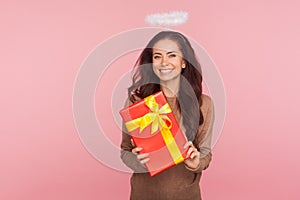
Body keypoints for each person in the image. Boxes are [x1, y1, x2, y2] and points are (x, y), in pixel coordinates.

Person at [120, 31, 214, 200]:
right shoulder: (136, 102)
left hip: (187, 195)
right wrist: (138, 161)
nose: (164, 62)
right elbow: (125, 151)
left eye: (172, 55)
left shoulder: (204, 104)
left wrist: (196, 162)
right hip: (144, 194)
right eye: (157, 56)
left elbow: (205, 153)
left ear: (183, 62)